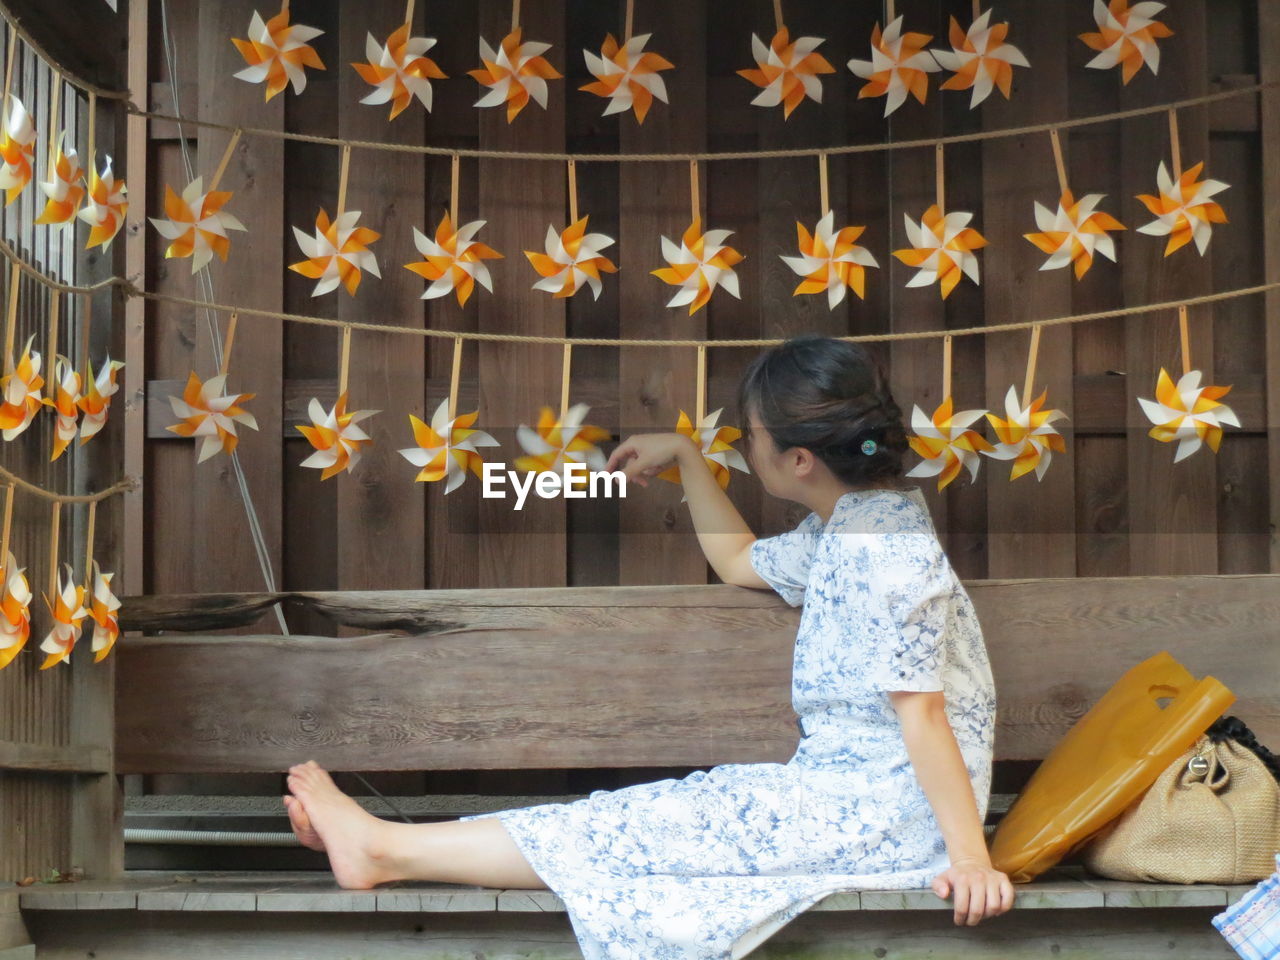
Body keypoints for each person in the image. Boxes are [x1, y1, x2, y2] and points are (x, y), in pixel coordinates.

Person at [282, 334, 1013, 958]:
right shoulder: (855, 525)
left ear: (798, 462)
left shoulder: (886, 556)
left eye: (752, 437)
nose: (746, 444)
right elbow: (739, 562)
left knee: (650, 825)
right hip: (845, 796)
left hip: (883, 819)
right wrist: (690, 461)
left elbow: (922, 715)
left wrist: (970, 859)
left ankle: (383, 848)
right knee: (651, 816)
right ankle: (383, 846)